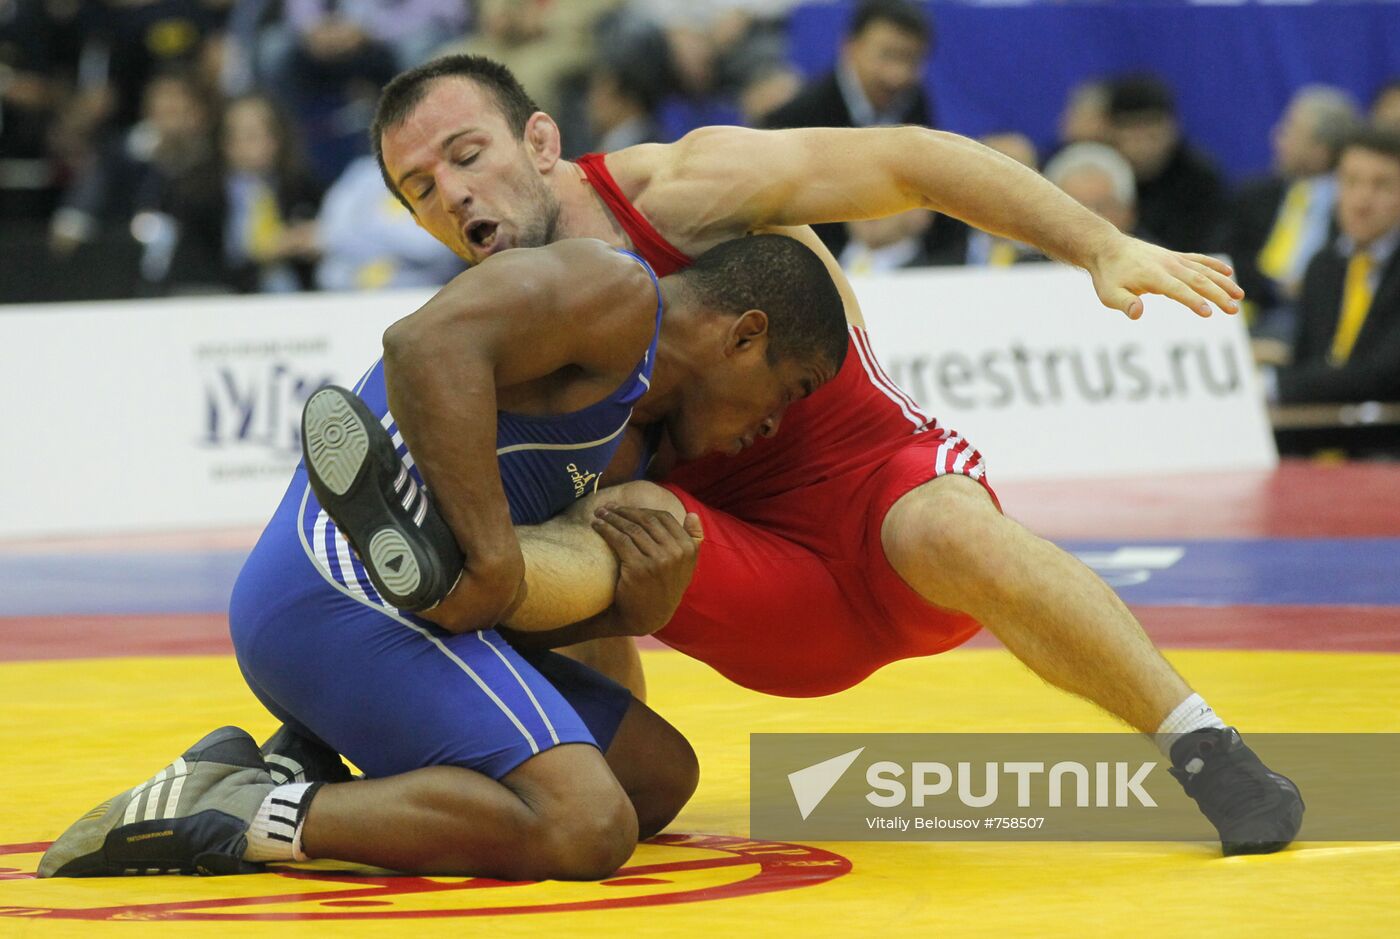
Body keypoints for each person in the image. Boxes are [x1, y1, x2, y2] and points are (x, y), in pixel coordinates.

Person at [316, 55, 1299, 858]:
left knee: (948, 527)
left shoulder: (680, 191)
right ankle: (428, 585)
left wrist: (1093, 244)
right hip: (747, 582)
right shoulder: (499, 324)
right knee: (584, 521)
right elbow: (593, 582)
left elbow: (910, 159)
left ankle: (1202, 748)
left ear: (539, 141)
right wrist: (600, 744)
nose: (452, 195)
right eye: (421, 189)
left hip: (871, 487)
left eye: (466, 155)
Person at [37, 232, 851, 879]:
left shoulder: (630, 447)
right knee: (584, 824)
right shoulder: (616, 294)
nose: (775, 424)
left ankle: (302, 765)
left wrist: (626, 613)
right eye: (793, 388)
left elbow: (495, 614)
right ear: (747, 335)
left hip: (420, 619)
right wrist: (495, 561)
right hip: (330, 592)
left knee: (655, 780)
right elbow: (423, 342)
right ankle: (239, 810)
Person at [760, 0, 934, 258]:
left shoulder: (915, 100)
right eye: (887, 55)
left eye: (910, 59)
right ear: (850, 48)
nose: (897, 75)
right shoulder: (796, 119)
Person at [1264, 126, 1400, 406]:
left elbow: (1384, 374)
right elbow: (1307, 362)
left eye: (1382, 185)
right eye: (1350, 182)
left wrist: (1274, 384)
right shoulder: (1323, 267)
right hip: (1319, 433)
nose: (1362, 201)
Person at [1224, 86, 1360, 338]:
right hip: (1246, 301)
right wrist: (1271, 286)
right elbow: (1225, 256)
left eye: (1291, 131)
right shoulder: (1255, 194)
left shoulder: (1354, 204)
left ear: (1321, 150)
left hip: (1308, 313)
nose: (1277, 137)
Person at [1105, 74, 1227, 254]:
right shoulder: (1098, 175)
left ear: (1172, 129)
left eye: (1151, 136)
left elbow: (1209, 248)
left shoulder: (1200, 180)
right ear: (1112, 133)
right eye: (1133, 137)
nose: (1143, 147)